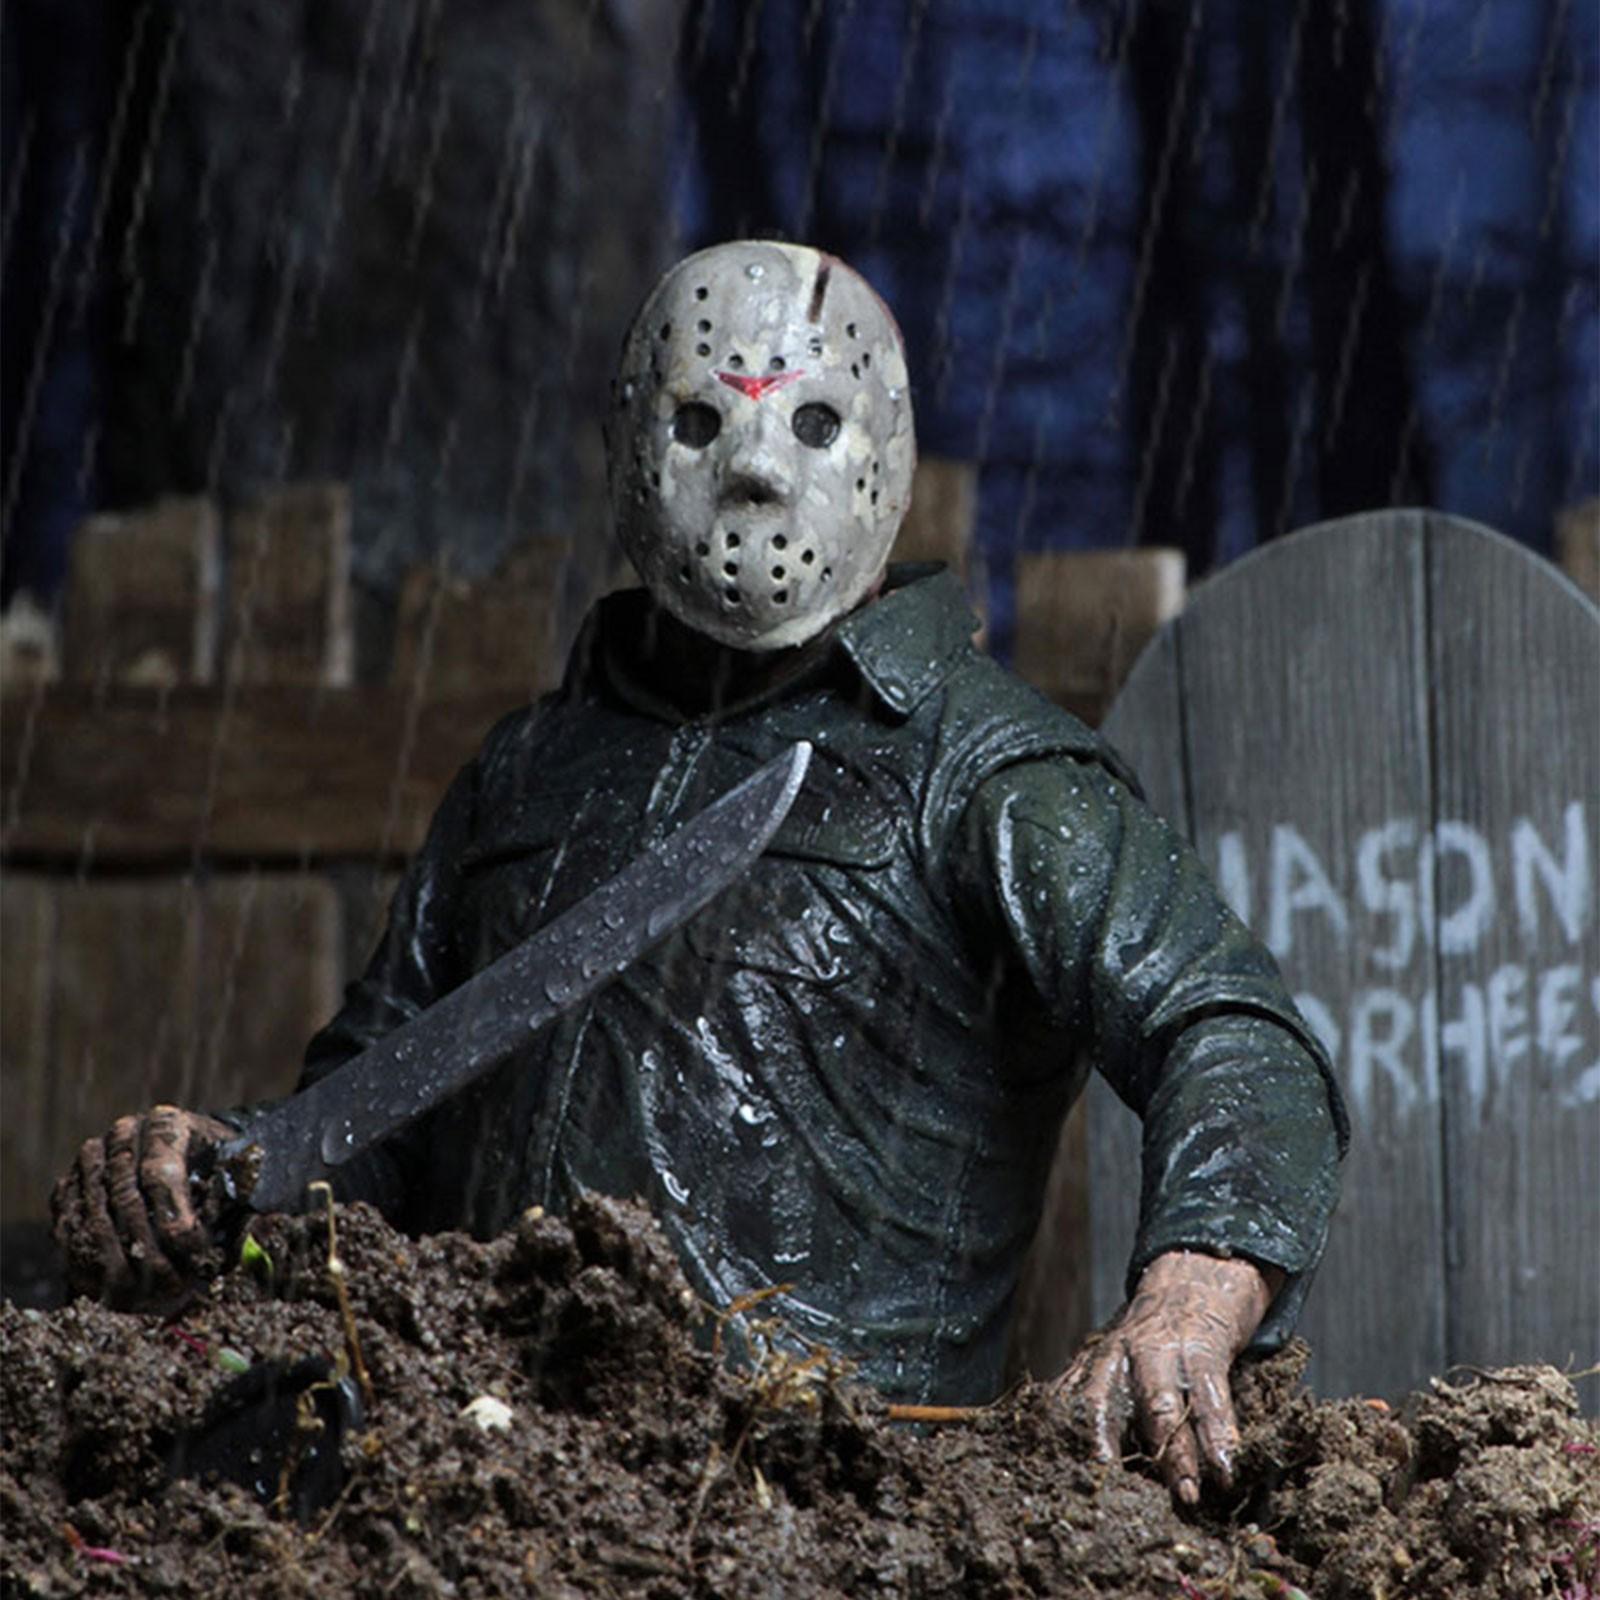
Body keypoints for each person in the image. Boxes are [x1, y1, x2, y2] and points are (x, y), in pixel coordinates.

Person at [53, 241, 1347, 1507]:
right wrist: (223, 1177)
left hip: (825, 1514)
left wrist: (1193, 1295)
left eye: (813, 424)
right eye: (700, 422)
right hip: (467, 1490)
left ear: (887, 450)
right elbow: (375, 1118)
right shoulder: (528, 769)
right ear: (628, 442)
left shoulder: (987, 773)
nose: (756, 473)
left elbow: (1234, 1037)